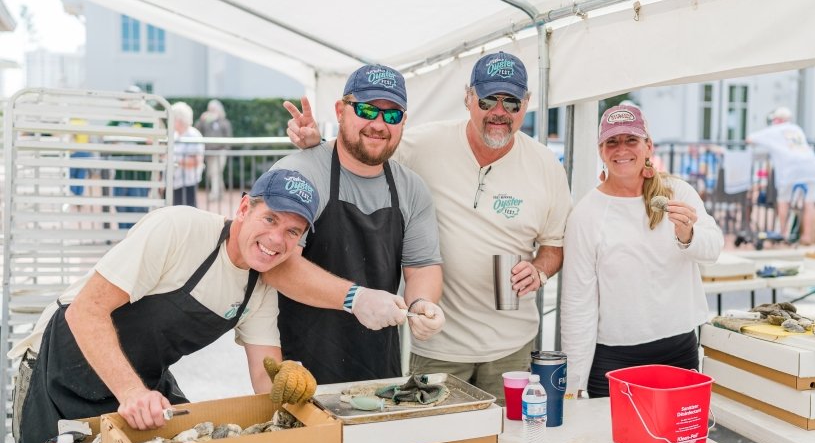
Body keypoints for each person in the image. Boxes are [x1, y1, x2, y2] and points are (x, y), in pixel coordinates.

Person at [284, 51, 571, 402]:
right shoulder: (422, 145)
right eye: (487, 99)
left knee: (505, 442)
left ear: (526, 104)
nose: (499, 111)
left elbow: (554, 246)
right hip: (438, 345)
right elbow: (365, 147)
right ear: (468, 99)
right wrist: (316, 148)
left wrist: (539, 271)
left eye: (511, 102)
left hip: (512, 345)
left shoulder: (546, 165)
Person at [10, 168, 320, 443]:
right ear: (242, 209)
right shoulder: (179, 230)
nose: (277, 239)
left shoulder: (261, 287)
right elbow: (85, 311)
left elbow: (265, 375)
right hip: (57, 369)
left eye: (293, 232)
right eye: (270, 219)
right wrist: (131, 393)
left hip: (140, 380)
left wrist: (289, 382)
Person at [271, 64, 445, 384]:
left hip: (378, 369)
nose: (378, 124)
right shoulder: (301, 175)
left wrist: (422, 304)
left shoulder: (411, 188)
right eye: (366, 110)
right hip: (299, 370)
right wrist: (356, 299)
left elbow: (423, 265)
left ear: (403, 122)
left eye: (391, 115)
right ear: (340, 110)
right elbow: (278, 266)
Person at [561, 104, 723, 398]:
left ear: (648, 146)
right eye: (612, 141)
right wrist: (574, 383)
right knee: (609, 442)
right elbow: (577, 302)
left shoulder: (677, 192)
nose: (621, 149)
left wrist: (688, 235)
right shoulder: (586, 214)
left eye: (631, 140)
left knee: (676, 440)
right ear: (601, 150)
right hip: (613, 359)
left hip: (679, 349)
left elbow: (713, 249)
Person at [746, 106, 815, 244]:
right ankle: (806, 237)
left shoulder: (774, 130)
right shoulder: (797, 129)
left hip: (790, 168)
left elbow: (750, 139)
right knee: (809, 202)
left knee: (784, 200)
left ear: (776, 119)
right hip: (812, 166)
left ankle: (783, 233)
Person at [197, 99, 233, 201]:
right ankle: (221, 192)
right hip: (209, 152)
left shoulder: (224, 122)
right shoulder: (206, 121)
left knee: (215, 172)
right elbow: (198, 130)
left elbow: (228, 137)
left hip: (220, 151)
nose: (211, 111)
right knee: (212, 174)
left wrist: (226, 149)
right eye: (210, 109)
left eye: (213, 109)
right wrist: (201, 120)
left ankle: (214, 194)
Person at [171, 101, 205, 207]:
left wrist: (174, 161)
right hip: (175, 182)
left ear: (178, 119)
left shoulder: (194, 135)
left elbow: (196, 161)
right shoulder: (175, 135)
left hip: (188, 182)